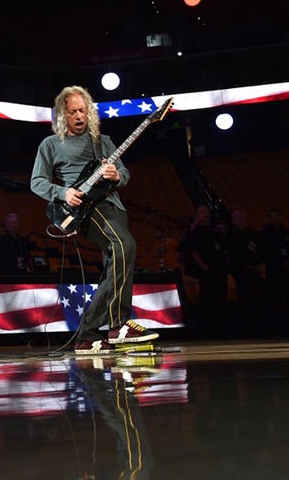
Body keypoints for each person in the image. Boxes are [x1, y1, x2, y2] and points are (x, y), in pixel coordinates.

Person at [30, 85, 157, 354]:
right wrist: (63, 192)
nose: (79, 116)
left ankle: (86, 336)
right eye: (73, 112)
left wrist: (116, 175)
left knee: (115, 264)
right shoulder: (51, 144)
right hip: (84, 209)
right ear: (63, 115)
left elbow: (124, 173)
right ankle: (118, 325)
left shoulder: (103, 140)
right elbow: (37, 182)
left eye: (82, 110)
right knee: (125, 246)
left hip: (113, 206)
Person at [182, 204, 228, 337]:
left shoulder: (215, 231)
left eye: (206, 211)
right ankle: (206, 330)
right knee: (207, 300)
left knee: (221, 300)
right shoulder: (195, 232)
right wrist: (205, 268)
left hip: (219, 271)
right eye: (201, 212)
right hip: (206, 273)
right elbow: (194, 252)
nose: (205, 214)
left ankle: (221, 328)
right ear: (197, 215)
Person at [256, 207, 289, 335]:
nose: (275, 218)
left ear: (281, 217)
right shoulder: (264, 234)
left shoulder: (287, 233)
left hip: (288, 272)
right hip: (274, 272)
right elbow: (263, 253)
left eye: (277, 216)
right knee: (274, 301)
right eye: (272, 216)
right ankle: (275, 329)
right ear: (269, 218)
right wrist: (279, 261)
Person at [225, 208, 265, 336]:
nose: (241, 219)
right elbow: (234, 256)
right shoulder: (230, 236)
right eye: (238, 217)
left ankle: (256, 326)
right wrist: (247, 266)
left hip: (255, 273)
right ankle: (245, 328)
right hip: (241, 274)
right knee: (244, 301)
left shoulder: (251, 234)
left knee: (256, 300)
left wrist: (259, 265)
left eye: (242, 217)